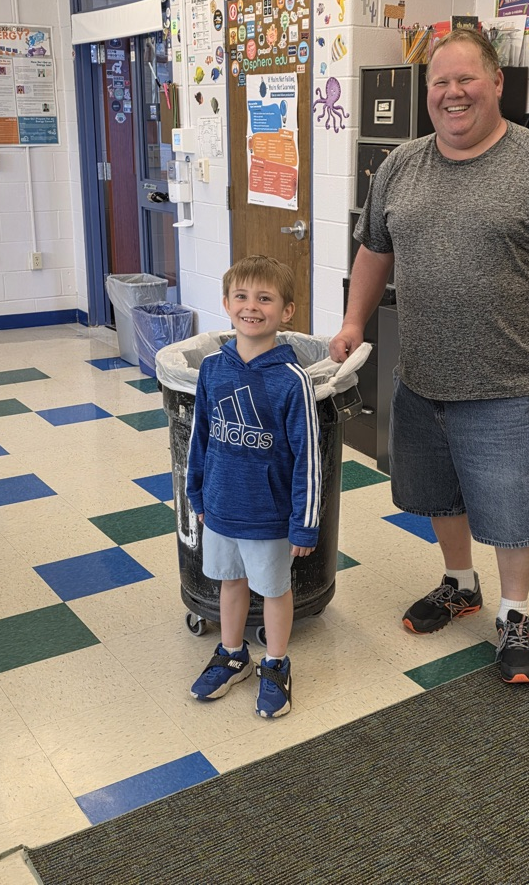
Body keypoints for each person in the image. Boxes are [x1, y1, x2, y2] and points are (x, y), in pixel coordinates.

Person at [330, 28, 529, 684]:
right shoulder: (402, 164)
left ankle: (514, 614)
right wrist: (351, 321)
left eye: (465, 79)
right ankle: (459, 583)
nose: (452, 93)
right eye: (439, 83)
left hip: (510, 380)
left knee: (512, 509)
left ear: (497, 83)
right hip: (421, 378)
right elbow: (374, 250)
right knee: (438, 494)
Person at [186, 255, 321, 717]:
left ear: (286, 312)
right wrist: (197, 494)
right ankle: (232, 655)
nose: (251, 306)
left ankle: (277, 663)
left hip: (269, 514)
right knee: (230, 582)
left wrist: (304, 525)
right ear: (226, 304)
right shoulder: (211, 369)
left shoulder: (292, 381)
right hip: (221, 507)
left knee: (274, 588)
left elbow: (308, 458)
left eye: (265, 298)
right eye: (241, 296)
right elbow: (200, 437)